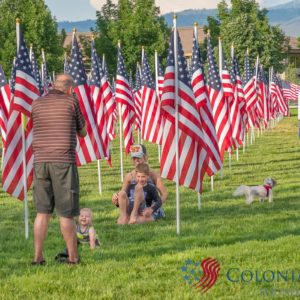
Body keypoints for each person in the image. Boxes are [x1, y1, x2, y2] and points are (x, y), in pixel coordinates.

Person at [31, 74, 86, 265]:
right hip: (63, 161)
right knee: (66, 212)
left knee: (42, 212)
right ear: (70, 89)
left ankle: (38, 258)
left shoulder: (37, 103)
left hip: (40, 162)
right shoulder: (72, 102)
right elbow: (83, 131)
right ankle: (73, 257)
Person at [112, 144, 168, 224]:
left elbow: (164, 194)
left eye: (139, 157)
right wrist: (116, 200)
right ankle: (126, 217)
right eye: (134, 158)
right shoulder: (129, 176)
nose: (136, 160)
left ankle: (134, 218)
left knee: (138, 220)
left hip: (149, 207)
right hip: (133, 206)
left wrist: (152, 208)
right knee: (122, 196)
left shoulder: (153, 174)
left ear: (145, 157)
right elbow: (123, 195)